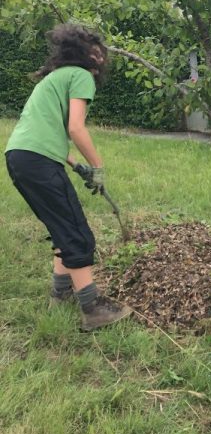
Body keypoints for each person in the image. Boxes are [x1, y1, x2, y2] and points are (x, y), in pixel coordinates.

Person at [5, 24, 132, 331]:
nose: (100, 57)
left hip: (19, 157)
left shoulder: (54, 79)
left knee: (61, 225)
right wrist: (98, 167)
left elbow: (47, 132)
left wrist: (76, 165)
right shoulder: (81, 76)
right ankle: (93, 308)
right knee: (77, 232)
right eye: (95, 51)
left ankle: (60, 294)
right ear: (83, 55)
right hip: (37, 160)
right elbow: (76, 129)